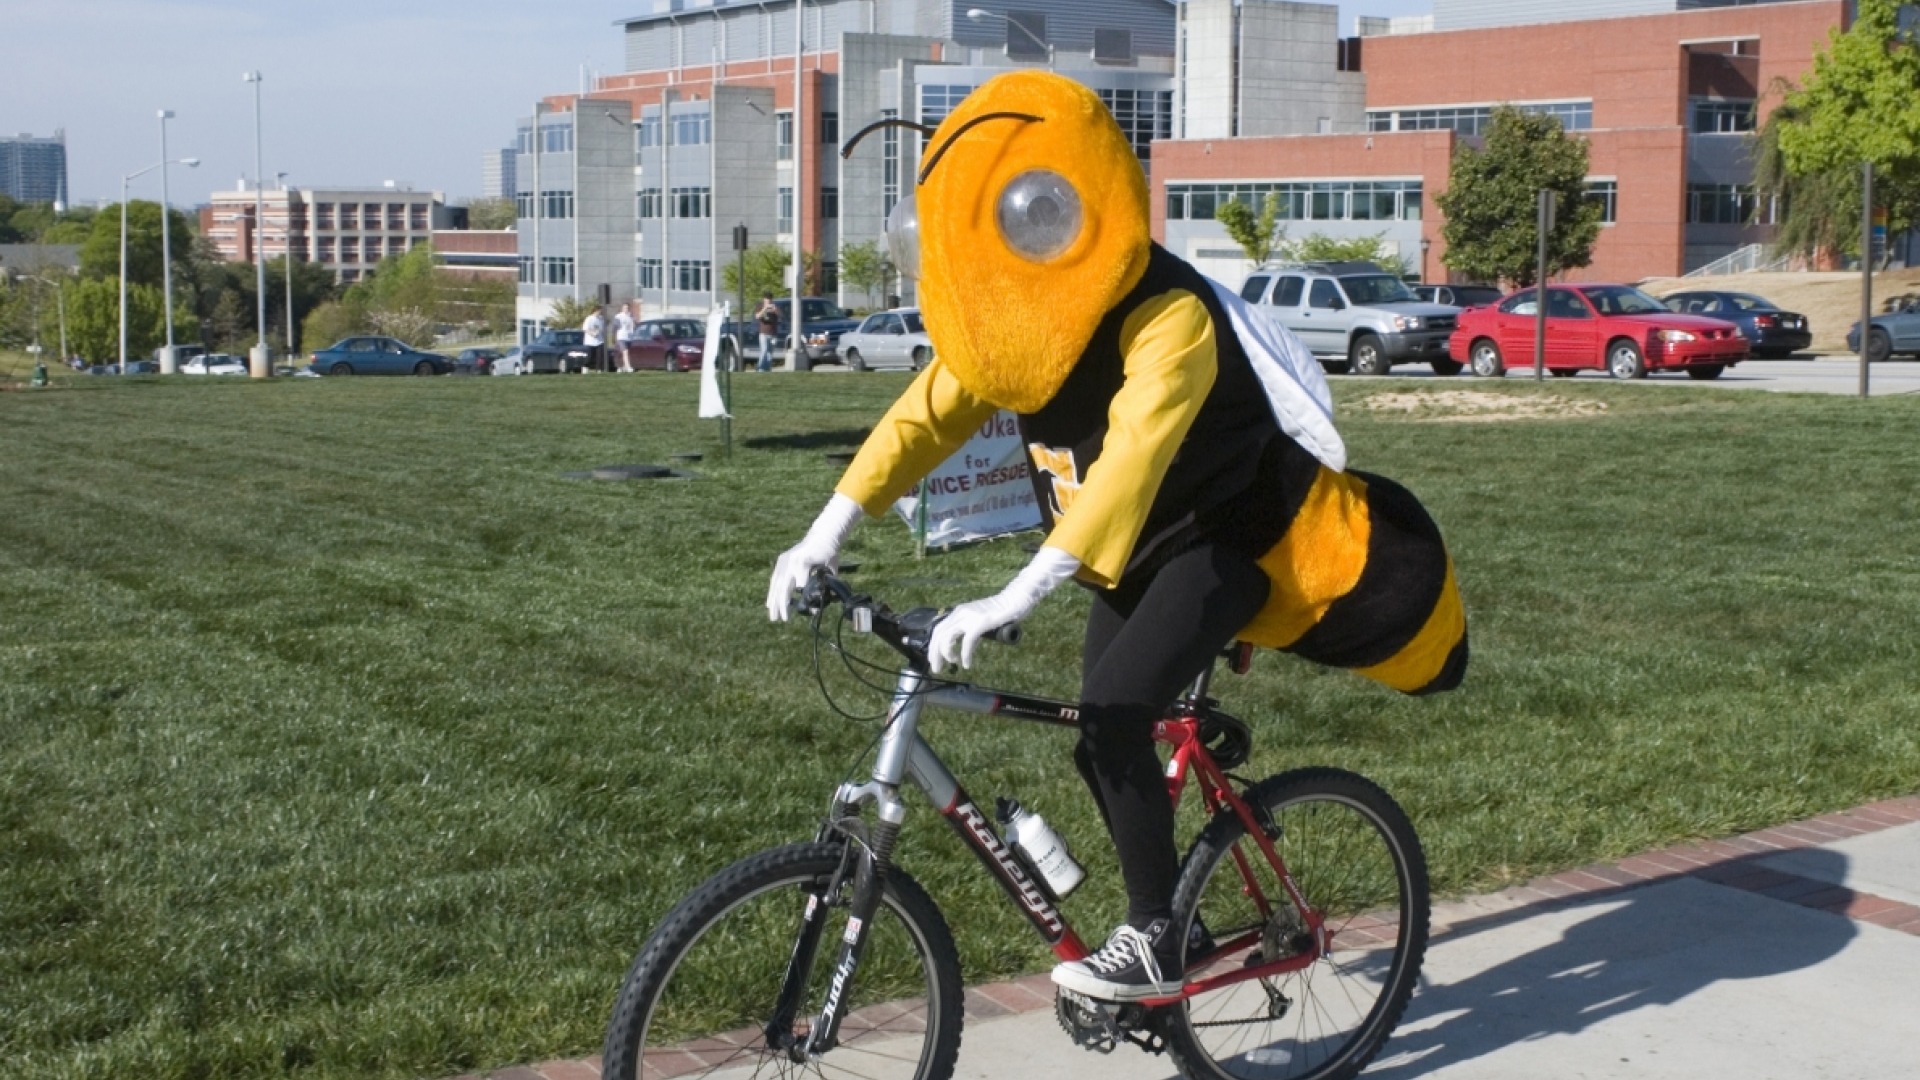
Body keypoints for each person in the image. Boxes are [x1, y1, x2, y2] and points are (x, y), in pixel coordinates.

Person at [768, 71, 1467, 1004]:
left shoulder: (1166, 315)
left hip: (1228, 546)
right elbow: (923, 415)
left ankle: (1149, 936)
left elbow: (1129, 464)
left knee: (1110, 715)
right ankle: (1181, 916)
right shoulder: (1023, 323)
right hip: (1138, 561)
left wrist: (1016, 593)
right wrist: (825, 532)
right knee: (1098, 741)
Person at [755, 294, 781, 372]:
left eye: (770, 299)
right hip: (763, 333)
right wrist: (765, 309)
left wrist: (775, 309)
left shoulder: (775, 307)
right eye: (767, 299)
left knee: (770, 353)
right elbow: (757, 316)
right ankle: (760, 368)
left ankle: (767, 369)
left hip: (773, 333)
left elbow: (780, 315)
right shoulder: (760, 307)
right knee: (764, 350)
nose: (768, 300)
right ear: (764, 299)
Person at [613, 301, 638, 373]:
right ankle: (628, 367)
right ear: (622, 308)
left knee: (625, 353)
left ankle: (622, 366)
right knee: (625, 351)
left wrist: (633, 319)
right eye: (624, 308)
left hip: (629, 337)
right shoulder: (619, 316)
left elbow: (636, 324)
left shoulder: (631, 316)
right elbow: (615, 326)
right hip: (621, 336)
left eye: (627, 308)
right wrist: (614, 337)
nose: (626, 309)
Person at [583, 306, 607, 373]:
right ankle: (585, 367)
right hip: (590, 341)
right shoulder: (589, 318)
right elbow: (585, 329)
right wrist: (592, 333)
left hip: (599, 341)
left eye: (600, 311)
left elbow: (602, 329)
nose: (600, 313)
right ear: (595, 311)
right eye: (598, 311)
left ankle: (599, 369)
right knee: (590, 356)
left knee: (600, 356)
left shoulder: (601, 319)